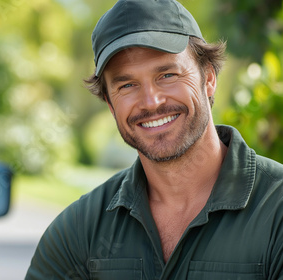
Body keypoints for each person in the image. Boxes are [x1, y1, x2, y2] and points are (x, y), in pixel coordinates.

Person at [25, 0, 283, 279]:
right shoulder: (79, 231)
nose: (151, 102)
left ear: (208, 78)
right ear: (111, 105)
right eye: (127, 85)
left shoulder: (276, 208)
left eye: (167, 75)